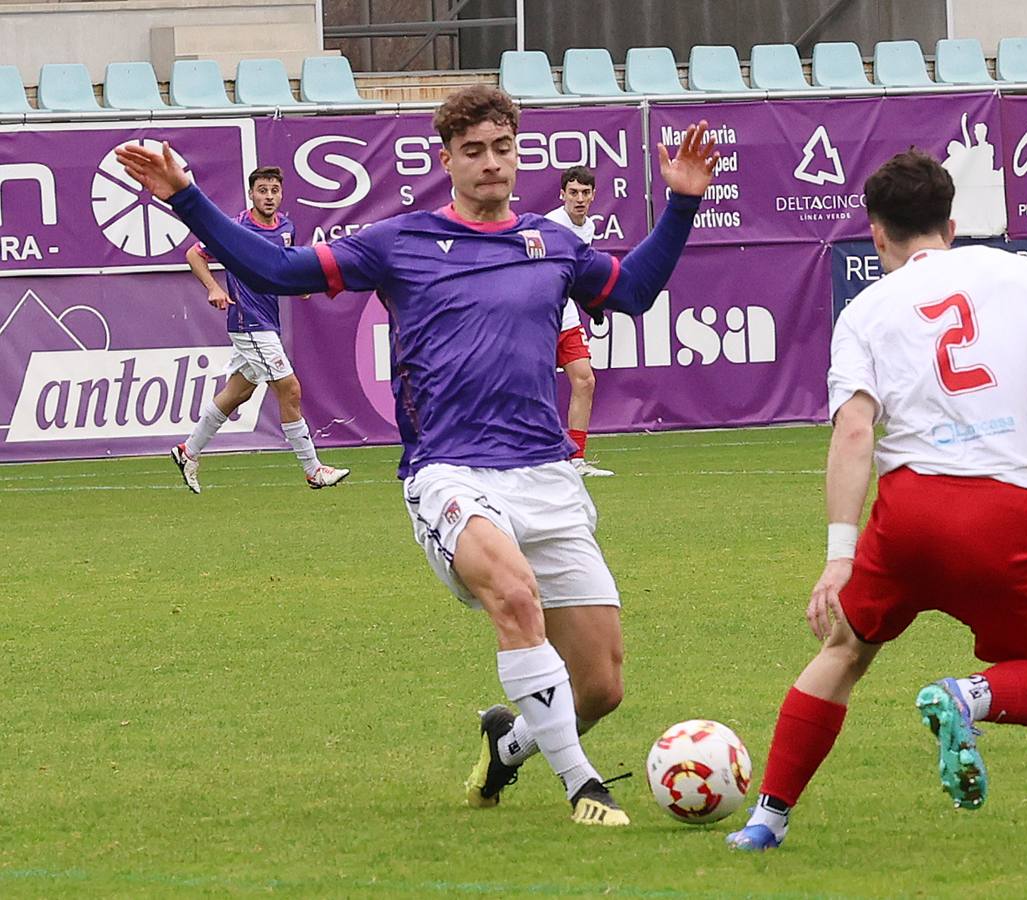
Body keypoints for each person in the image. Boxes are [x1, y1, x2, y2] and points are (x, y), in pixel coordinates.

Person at [116, 85, 720, 827]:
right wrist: (186, 197)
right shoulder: (398, 241)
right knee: (514, 596)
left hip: (545, 474)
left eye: (503, 148)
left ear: (517, 152)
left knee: (599, 686)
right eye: (474, 151)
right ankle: (582, 785)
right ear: (448, 160)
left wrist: (684, 201)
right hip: (450, 471)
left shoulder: (551, 243)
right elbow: (280, 272)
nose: (491, 163)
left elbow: (637, 291)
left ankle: (512, 746)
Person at [726, 149, 1027, 852]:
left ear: (877, 234)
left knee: (846, 648)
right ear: (952, 223)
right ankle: (968, 698)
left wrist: (838, 556)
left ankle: (767, 818)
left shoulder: (863, 311)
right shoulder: (1023, 272)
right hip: (1005, 512)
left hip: (909, 513)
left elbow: (855, 430)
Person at [175, 165, 350, 493]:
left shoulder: (286, 226)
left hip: (268, 320)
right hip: (248, 320)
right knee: (291, 389)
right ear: (251, 194)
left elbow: (282, 266)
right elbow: (194, 254)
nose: (269, 196)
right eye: (262, 190)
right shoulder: (235, 228)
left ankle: (188, 451)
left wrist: (300, 283)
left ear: (281, 194)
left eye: (274, 190)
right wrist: (213, 287)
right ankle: (313, 470)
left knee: (238, 392)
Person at [544, 165, 612, 477]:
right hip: (537, 316)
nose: (579, 198)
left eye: (585, 193)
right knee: (528, 388)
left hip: (566, 314)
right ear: (562, 195)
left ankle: (576, 461)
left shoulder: (588, 228)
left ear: (593, 195)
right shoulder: (550, 226)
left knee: (585, 380)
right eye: (573, 192)